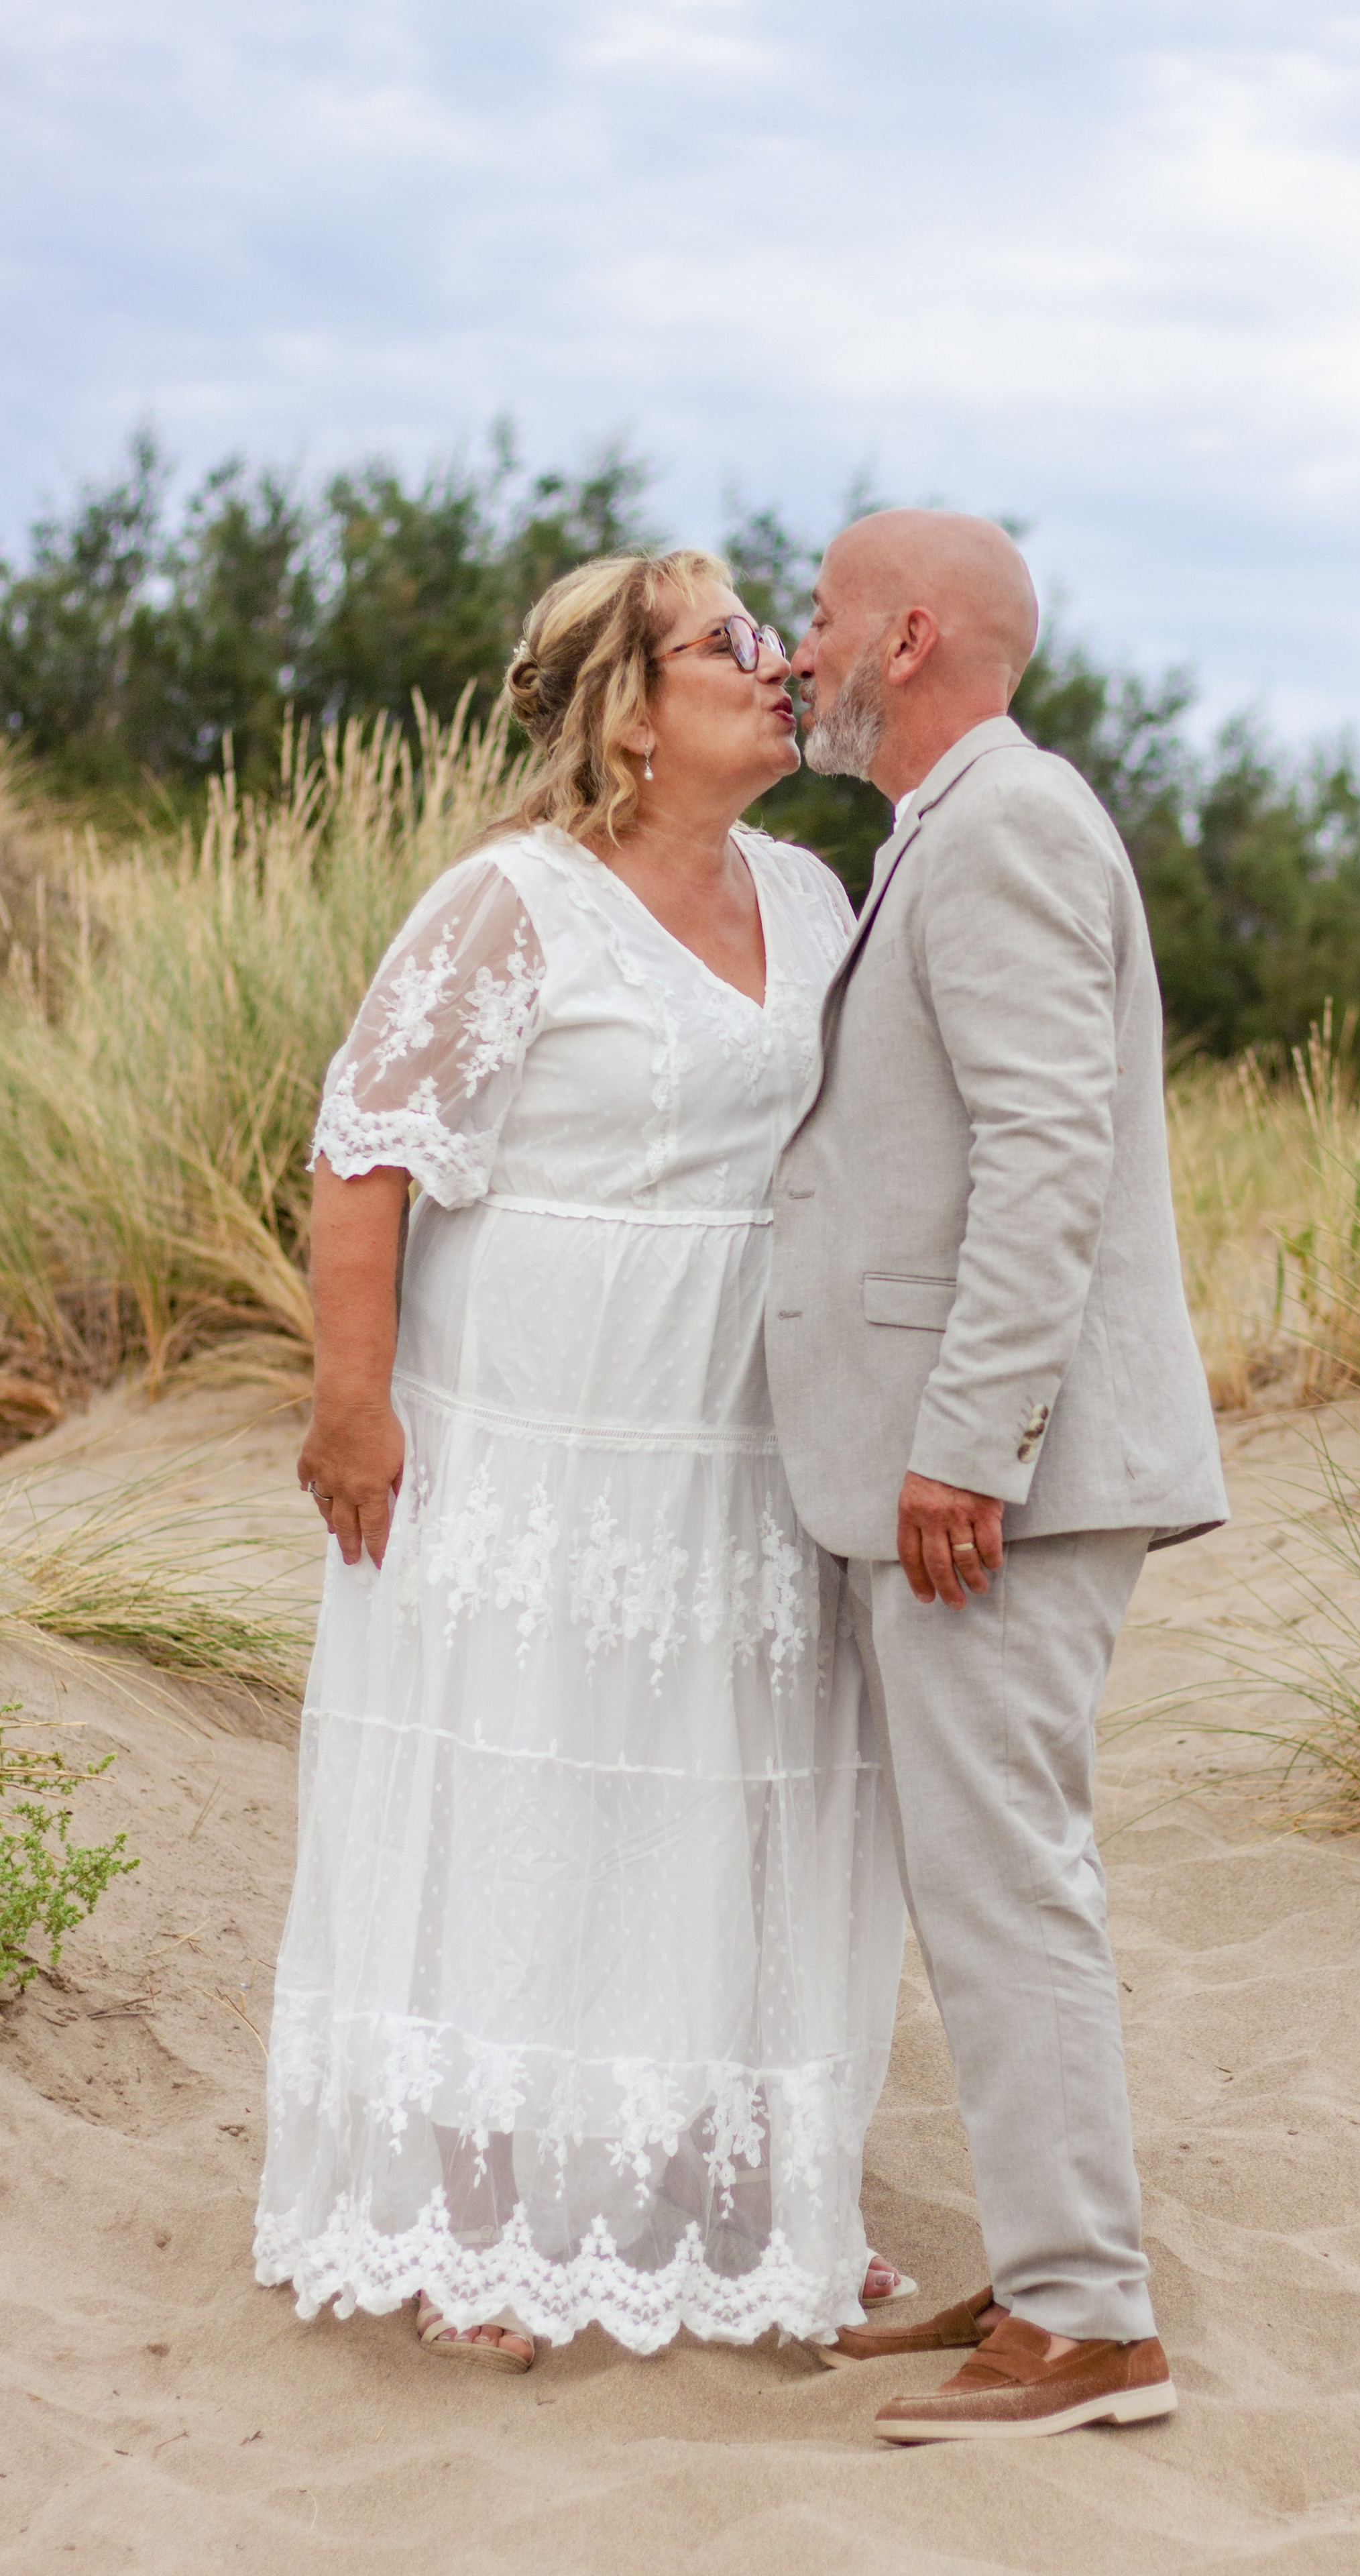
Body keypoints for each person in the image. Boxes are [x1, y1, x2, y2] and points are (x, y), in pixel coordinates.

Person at [254, 551, 908, 2371]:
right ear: (631, 708)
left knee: (719, 1784)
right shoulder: (509, 905)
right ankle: (475, 2217)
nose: (776, 668)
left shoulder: (809, 889)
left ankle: (740, 2187)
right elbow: (365, 1152)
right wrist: (351, 1407)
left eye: (775, 637)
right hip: (524, 1445)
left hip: (739, 1442)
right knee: (525, 1787)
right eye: (732, 645)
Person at [767, 509, 1229, 2442]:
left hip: (1002, 1483)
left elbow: (1052, 1153)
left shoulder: (1011, 826)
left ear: (913, 633)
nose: (797, 647)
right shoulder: (947, 829)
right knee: (984, 1879)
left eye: (819, 615)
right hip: (986, 1467)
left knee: (1008, 1881)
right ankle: (1050, 2259)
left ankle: (1087, 2324)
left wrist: (966, 1445)